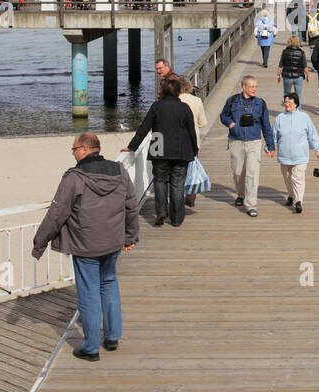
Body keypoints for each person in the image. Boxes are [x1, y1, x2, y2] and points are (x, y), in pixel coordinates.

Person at [32, 133, 138, 361]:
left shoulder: (75, 177)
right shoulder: (119, 171)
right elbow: (131, 205)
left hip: (85, 244)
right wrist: (130, 236)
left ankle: (90, 347)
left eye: (73, 149)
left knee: (89, 292)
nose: (72, 154)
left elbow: (57, 213)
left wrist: (39, 243)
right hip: (111, 242)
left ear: (83, 149)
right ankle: (112, 336)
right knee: (108, 282)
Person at [125, 77, 198, 227]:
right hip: (180, 149)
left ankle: (161, 212)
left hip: (159, 147)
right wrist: (194, 149)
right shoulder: (184, 108)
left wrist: (132, 146)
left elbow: (144, 128)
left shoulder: (156, 107)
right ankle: (177, 218)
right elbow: (191, 131)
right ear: (178, 91)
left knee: (159, 180)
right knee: (177, 183)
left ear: (163, 91)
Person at [220, 75, 275, 217]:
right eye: (252, 87)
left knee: (252, 172)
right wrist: (230, 123)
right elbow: (223, 116)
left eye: (256, 86)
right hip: (236, 140)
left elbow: (266, 125)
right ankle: (241, 193)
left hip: (254, 141)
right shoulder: (232, 101)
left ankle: (251, 205)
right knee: (238, 172)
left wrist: (270, 144)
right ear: (244, 87)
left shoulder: (260, 103)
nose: (255, 89)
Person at [273, 92, 319, 213]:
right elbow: (274, 134)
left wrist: (317, 148)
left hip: (300, 155)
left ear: (296, 104)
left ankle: (298, 201)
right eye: (285, 102)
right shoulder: (279, 118)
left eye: (289, 102)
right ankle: (291, 195)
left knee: (297, 178)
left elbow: (312, 134)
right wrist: (270, 147)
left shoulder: (304, 117)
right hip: (284, 155)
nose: (287, 104)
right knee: (287, 178)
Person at [177, 76, 209, 208]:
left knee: (177, 170)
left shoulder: (174, 100)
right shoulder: (196, 100)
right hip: (192, 141)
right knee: (192, 169)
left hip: (177, 140)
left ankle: (177, 195)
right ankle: (190, 197)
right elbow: (203, 123)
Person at [277, 34, 309, 100]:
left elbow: (280, 65)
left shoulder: (284, 52)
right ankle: (297, 109)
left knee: (286, 94)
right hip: (298, 76)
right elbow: (305, 66)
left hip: (287, 76)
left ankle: (287, 109)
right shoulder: (301, 52)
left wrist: (278, 75)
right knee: (298, 95)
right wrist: (307, 75)